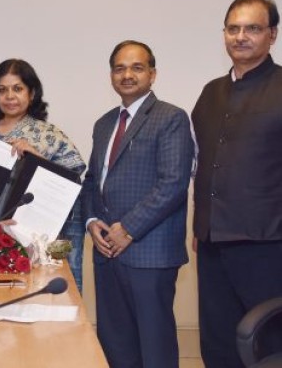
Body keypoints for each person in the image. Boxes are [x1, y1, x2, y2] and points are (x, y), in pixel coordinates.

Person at [81, 41, 194, 368]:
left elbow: (173, 183)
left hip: (149, 252)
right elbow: (92, 181)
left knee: (154, 346)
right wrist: (91, 222)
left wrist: (128, 229)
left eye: (137, 67)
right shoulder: (104, 124)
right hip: (106, 253)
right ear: (111, 75)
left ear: (152, 74)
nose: (127, 74)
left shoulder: (171, 117)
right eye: (119, 68)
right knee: (115, 344)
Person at [192, 0, 282, 368]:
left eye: (252, 28)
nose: (240, 36)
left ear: (272, 35)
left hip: (267, 244)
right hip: (212, 244)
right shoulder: (211, 92)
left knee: (269, 346)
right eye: (233, 28)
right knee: (218, 346)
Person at [0, 59, 86, 291]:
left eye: (17, 88)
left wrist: (36, 157)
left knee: (35, 298)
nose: (9, 96)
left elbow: (71, 182)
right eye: (2, 90)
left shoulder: (49, 135)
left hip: (34, 239)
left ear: (31, 93)